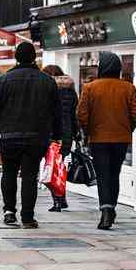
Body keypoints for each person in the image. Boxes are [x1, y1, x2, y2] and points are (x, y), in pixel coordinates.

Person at [0, 42, 61, 229]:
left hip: (9, 135)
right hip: (37, 136)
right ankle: (28, 217)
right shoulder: (47, 81)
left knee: (9, 173)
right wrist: (56, 135)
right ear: (34, 57)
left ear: (17, 58)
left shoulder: (3, 80)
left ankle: (9, 212)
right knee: (29, 176)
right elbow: (56, 112)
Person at [77, 52, 136, 230]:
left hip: (98, 139)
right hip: (121, 139)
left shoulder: (90, 88)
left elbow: (81, 114)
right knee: (114, 173)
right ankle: (111, 207)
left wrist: (87, 131)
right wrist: (126, 129)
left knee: (103, 175)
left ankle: (106, 211)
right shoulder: (128, 88)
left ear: (101, 67)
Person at [41, 64, 80, 212]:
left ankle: (58, 200)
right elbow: (74, 114)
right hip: (67, 134)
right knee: (59, 166)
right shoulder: (70, 91)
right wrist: (75, 133)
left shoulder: (48, 89)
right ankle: (60, 198)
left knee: (52, 168)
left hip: (52, 134)